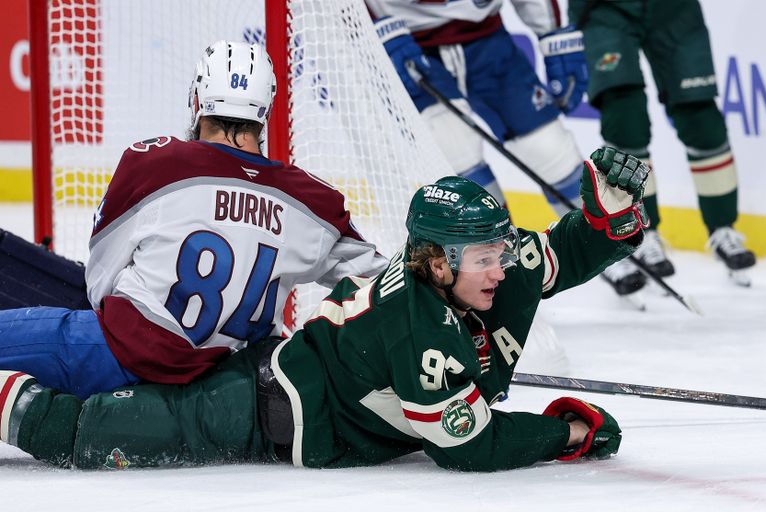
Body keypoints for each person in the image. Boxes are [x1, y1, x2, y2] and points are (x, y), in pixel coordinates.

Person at [1, 146, 647, 471]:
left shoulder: (490, 269)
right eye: (483, 256)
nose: (501, 266)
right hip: (246, 412)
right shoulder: (420, 329)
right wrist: (568, 432)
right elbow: (470, 445)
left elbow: (558, 252)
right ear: (439, 263)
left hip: (269, 369)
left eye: (500, 250)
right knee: (89, 438)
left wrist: (611, 222)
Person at [0, 41, 387, 400]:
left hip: (116, 356)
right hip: (228, 384)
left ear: (198, 99)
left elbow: (100, 279)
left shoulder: (155, 163)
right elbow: (383, 284)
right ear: (266, 110)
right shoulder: (313, 202)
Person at [570, 0, 756, 293]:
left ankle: (723, 229)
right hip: (604, 8)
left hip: (673, 9)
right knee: (625, 118)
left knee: (702, 121)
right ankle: (640, 233)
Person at [368, 0, 589, 216]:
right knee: (453, 149)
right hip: (406, 43)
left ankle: (601, 245)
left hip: (489, 42)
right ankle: (496, 247)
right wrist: (371, 23)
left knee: (549, 148)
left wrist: (552, 32)